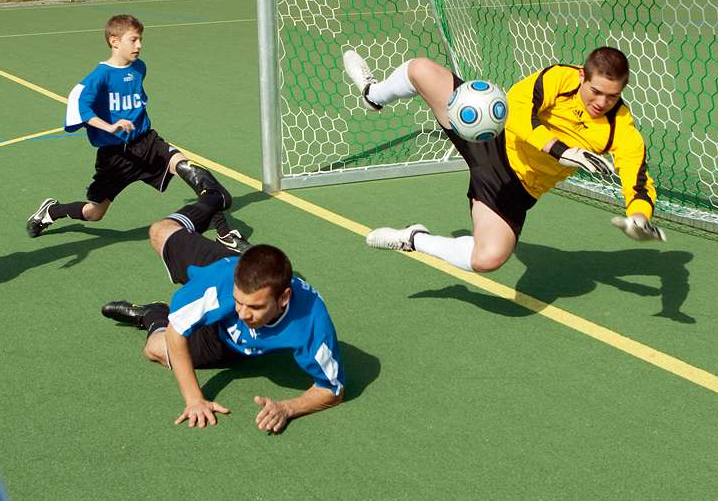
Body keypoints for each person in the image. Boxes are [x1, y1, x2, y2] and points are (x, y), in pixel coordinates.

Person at [343, 45, 664, 274]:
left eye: (613, 96)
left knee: (488, 259)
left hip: (513, 187)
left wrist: (639, 216)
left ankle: (413, 238)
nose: (602, 102)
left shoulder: (621, 129)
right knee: (421, 70)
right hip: (489, 136)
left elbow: (637, 181)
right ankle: (373, 94)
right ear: (582, 75)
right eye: (596, 91)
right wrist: (561, 151)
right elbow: (517, 111)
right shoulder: (558, 79)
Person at [101, 196, 344, 432]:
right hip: (220, 273)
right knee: (159, 231)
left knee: (154, 348)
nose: (243, 314)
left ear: (284, 298)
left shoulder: (312, 322)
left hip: (221, 342)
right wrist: (194, 399)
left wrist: (288, 408)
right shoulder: (222, 282)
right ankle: (210, 201)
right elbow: (179, 330)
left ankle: (153, 314)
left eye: (255, 307)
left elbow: (332, 390)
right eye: (239, 302)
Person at [25, 13, 240, 249]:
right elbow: (78, 104)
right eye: (133, 40)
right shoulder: (100, 75)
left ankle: (224, 234)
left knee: (190, 171)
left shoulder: (139, 68)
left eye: (140, 40)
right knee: (94, 213)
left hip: (147, 142)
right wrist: (109, 126)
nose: (139, 46)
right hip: (115, 156)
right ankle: (52, 211)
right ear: (114, 41)